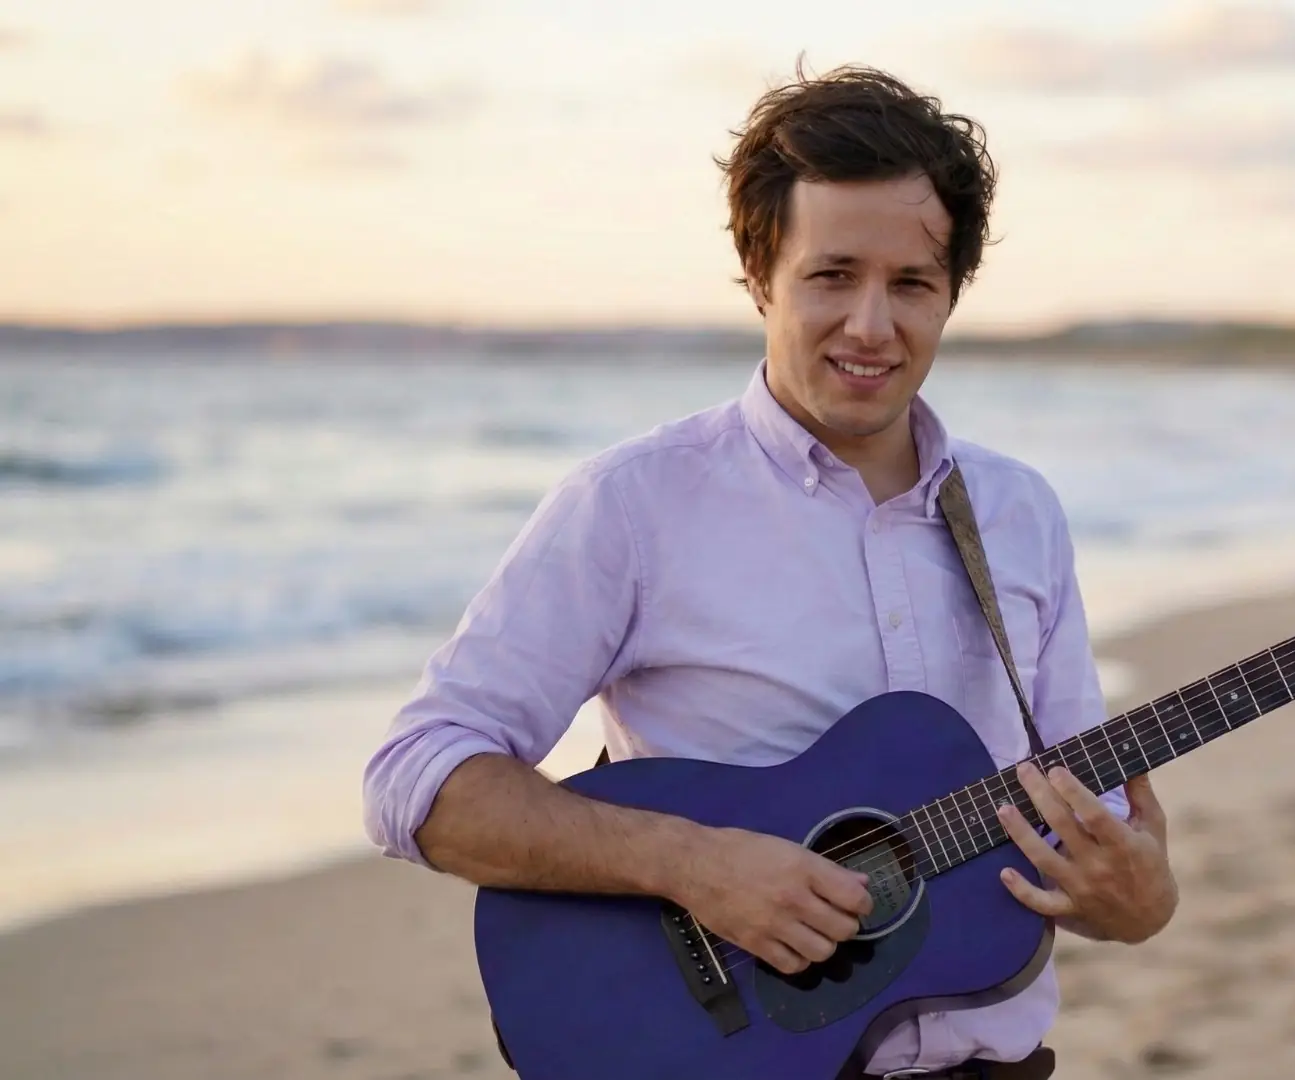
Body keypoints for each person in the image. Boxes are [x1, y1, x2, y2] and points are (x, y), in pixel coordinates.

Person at [362, 63, 1179, 1079]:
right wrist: (694, 866)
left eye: (911, 284)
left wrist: (1143, 900)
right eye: (832, 276)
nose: (872, 326)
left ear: (952, 294)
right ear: (761, 275)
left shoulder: (1019, 516)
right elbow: (418, 779)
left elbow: (1080, 827)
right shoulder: (633, 505)